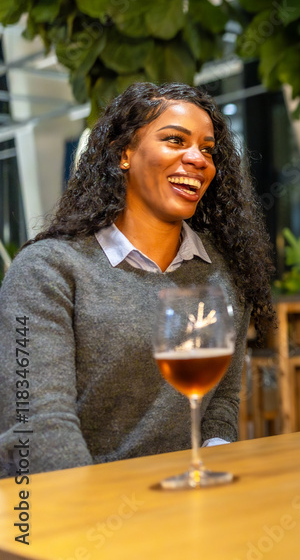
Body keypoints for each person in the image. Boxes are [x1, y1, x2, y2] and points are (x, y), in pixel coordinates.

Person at [0, 82, 274, 475]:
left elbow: (220, 408)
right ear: (123, 153)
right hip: (76, 517)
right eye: (175, 140)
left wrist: (215, 475)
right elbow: (38, 427)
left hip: (187, 508)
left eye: (208, 149)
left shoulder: (226, 271)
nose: (198, 158)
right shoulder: (46, 271)